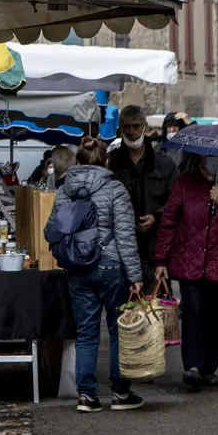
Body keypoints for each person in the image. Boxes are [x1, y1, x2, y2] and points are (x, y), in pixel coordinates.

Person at [55, 135, 147, 413]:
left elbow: (56, 228)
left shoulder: (64, 189)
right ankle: (120, 392)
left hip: (77, 267)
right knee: (118, 331)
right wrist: (135, 275)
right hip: (110, 266)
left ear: (78, 161)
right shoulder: (115, 189)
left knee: (86, 332)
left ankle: (87, 395)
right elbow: (125, 236)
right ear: (105, 160)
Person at [153, 152, 218, 391]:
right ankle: (193, 367)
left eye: (215, 160)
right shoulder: (185, 183)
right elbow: (168, 221)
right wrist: (161, 259)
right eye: (206, 160)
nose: (210, 165)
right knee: (193, 312)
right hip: (190, 261)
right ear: (199, 160)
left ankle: (209, 368)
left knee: (215, 317)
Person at [108, 105, 177, 279]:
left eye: (136, 126)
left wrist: (157, 216)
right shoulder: (112, 163)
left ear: (144, 126)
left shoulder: (164, 164)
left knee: (157, 304)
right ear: (120, 128)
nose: (131, 131)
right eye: (127, 126)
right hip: (122, 251)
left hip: (156, 250)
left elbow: (175, 201)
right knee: (126, 305)